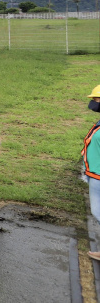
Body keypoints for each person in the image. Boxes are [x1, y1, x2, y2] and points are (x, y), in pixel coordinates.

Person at [82, 85, 100, 261]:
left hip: (98, 176)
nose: (93, 102)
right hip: (94, 174)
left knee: (97, 212)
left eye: (96, 99)